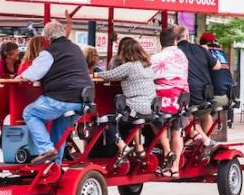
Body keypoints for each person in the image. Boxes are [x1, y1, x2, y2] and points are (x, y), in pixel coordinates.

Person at [18, 20, 93, 164]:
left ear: (47, 38)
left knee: (30, 112)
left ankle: (46, 149)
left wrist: (21, 76)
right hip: (83, 100)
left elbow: (32, 74)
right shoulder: (76, 48)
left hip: (62, 98)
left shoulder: (49, 52)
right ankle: (54, 168)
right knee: (58, 129)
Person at [95, 38, 158, 160]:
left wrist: (96, 74)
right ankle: (139, 150)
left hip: (135, 109)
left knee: (106, 119)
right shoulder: (147, 66)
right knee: (132, 120)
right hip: (150, 109)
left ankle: (124, 148)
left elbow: (109, 75)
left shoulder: (129, 66)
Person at [150, 27, 188, 178]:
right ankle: (175, 167)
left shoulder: (157, 58)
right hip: (181, 101)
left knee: (154, 122)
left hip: (164, 103)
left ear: (161, 43)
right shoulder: (183, 56)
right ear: (175, 40)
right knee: (177, 132)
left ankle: (167, 151)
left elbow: (148, 76)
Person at [176, 25, 221, 153]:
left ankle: (203, 140)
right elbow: (217, 66)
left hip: (188, 93)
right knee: (206, 115)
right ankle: (203, 145)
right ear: (187, 36)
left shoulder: (176, 52)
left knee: (186, 116)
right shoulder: (200, 49)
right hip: (205, 92)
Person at [201, 32, 234, 115]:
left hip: (215, 96)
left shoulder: (204, 52)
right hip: (229, 95)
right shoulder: (222, 53)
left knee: (196, 112)